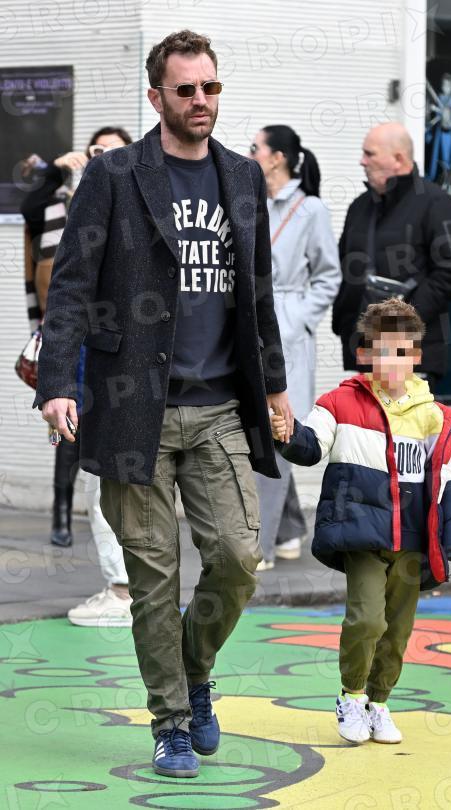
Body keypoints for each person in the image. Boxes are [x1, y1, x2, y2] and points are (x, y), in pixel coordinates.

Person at [35, 29, 291, 778]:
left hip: (219, 407)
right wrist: (57, 383)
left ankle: (193, 669)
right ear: (156, 96)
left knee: (238, 558)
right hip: (131, 405)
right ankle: (172, 722)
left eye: (210, 87)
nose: (201, 100)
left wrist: (275, 386)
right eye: (186, 89)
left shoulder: (242, 176)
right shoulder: (114, 175)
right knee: (152, 579)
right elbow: (71, 286)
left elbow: (258, 295)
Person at [271, 298, 451, 744]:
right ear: (364, 353)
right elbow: (310, 446)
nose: (392, 362)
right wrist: (286, 434)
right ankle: (351, 695)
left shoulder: (433, 417)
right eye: (382, 351)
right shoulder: (339, 403)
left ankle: (378, 702)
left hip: (413, 542)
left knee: (398, 631)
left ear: (416, 355)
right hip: (362, 536)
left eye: (401, 352)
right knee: (366, 619)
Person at [20, 129, 134, 627]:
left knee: (113, 479)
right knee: (87, 468)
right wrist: (56, 174)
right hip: (79, 359)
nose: (104, 159)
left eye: (115, 151)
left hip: (125, 365)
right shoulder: (67, 203)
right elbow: (31, 213)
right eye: (97, 151)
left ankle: (124, 589)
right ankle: (121, 584)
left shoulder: (136, 208)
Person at [248, 125, 340, 569]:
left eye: (256, 148)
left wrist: (294, 318)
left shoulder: (310, 209)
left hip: (284, 333)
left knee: (276, 428)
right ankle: (288, 530)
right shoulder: (251, 202)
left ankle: (259, 546)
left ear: (278, 157)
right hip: (248, 326)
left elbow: (329, 275)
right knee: (255, 424)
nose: (250, 154)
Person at [332, 122, 451, 390]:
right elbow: (345, 266)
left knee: (404, 420)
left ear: (398, 159)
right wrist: (344, 320)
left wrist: (401, 319)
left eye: (370, 154)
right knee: (366, 419)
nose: (362, 161)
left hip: (412, 357)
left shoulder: (436, 203)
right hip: (364, 352)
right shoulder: (360, 207)